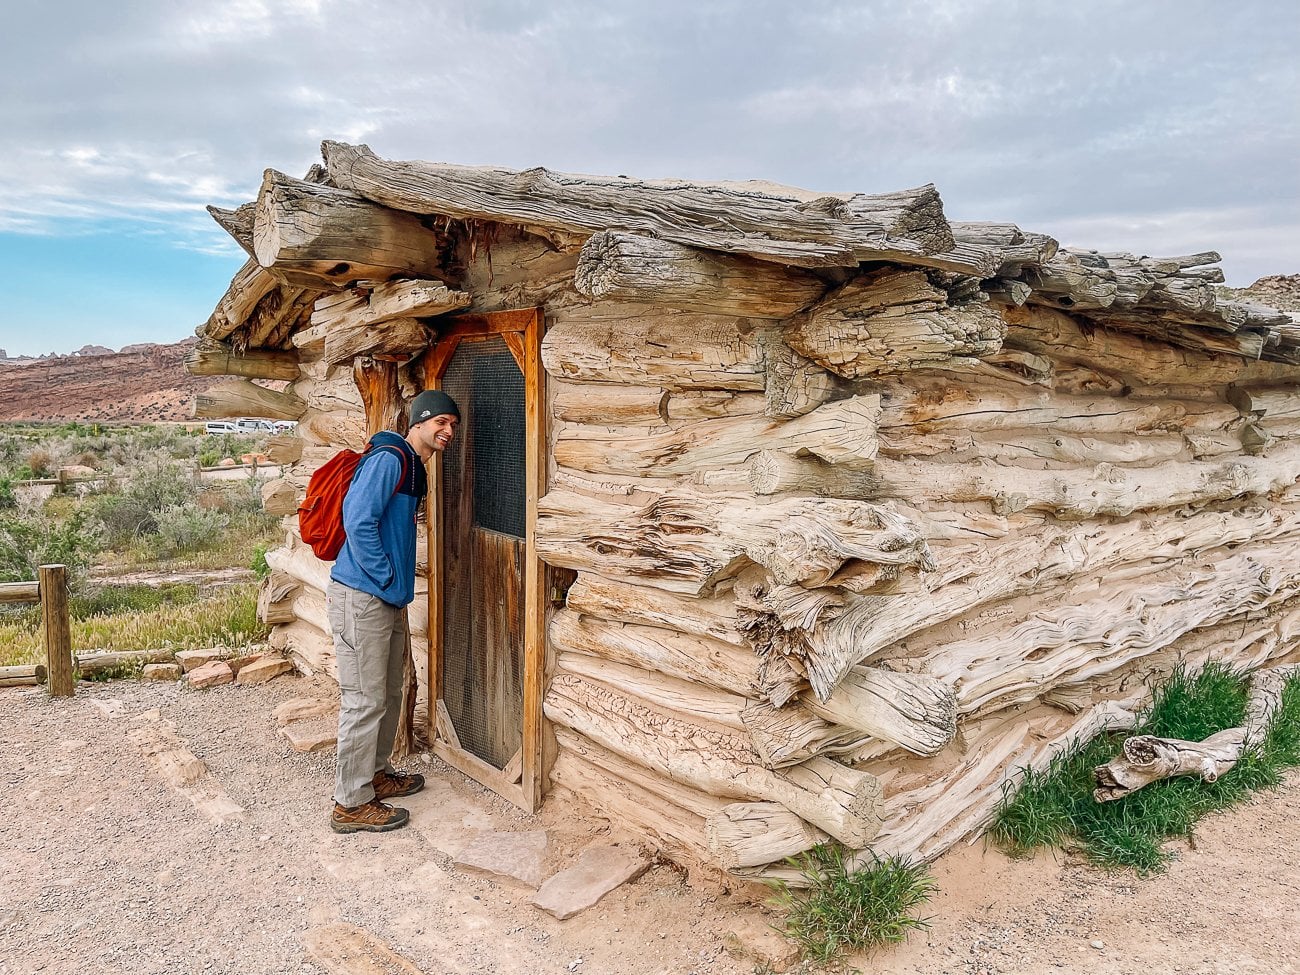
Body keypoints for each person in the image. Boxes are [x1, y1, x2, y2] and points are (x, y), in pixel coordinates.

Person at [327, 389, 460, 833]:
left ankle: (374, 777)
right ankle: (350, 803)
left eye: (453, 424)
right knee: (364, 700)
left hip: (384, 598)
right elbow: (357, 518)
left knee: (388, 693)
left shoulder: (413, 465)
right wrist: (386, 577)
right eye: (440, 421)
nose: (448, 430)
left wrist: (393, 588)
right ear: (419, 422)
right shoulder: (391, 458)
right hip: (364, 596)